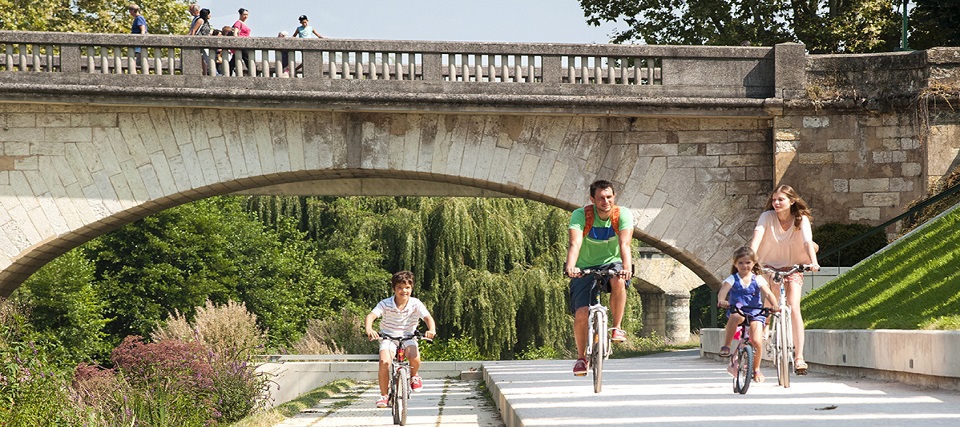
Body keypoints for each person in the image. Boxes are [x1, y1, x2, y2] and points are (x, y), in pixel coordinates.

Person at [749, 184, 820, 375]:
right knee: (771, 299)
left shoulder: (801, 219)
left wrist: (814, 262)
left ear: (792, 201)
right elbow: (757, 238)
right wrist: (750, 260)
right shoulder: (767, 217)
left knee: (794, 306)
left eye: (780, 199)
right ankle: (762, 332)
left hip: (794, 265)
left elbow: (807, 240)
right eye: (774, 200)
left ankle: (799, 358)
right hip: (770, 265)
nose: (776, 203)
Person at [564, 179, 633, 377]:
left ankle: (617, 328)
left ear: (614, 197)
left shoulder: (622, 214)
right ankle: (581, 358)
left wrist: (626, 268)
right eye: (601, 198)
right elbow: (574, 244)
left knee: (619, 279)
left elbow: (625, 244)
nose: (606, 201)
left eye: (609, 197)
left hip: (613, 263)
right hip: (584, 266)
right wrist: (571, 266)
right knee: (582, 313)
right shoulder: (581, 215)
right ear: (592, 199)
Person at [364, 271, 437, 408]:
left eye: (407, 287)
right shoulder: (385, 303)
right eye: (399, 287)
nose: (404, 291)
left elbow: (427, 318)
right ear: (394, 289)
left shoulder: (416, 303)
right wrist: (369, 329)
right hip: (388, 337)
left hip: (408, 336)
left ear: (412, 288)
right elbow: (371, 316)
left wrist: (431, 329)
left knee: (414, 357)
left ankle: (414, 376)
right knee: (384, 362)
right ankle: (384, 395)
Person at [717, 246, 780, 383]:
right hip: (738, 310)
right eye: (740, 263)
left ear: (753, 264)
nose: (744, 266)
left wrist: (775, 305)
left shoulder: (757, 279)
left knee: (756, 341)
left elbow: (768, 293)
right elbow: (723, 291)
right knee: (734, 317)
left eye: (748, 263)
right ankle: (726, 345)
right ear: (735, 264)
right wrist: (722, 300)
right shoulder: (732, 279)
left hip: (755, 312)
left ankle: (756, 369)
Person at [231, 8, 252, 75]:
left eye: (247, 15)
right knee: (248, 59)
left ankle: (228, 72)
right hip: (241, 44)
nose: (246, 16)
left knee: (234, 60)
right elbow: (235, 33)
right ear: (240, 14)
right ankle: (254, 73)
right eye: (244, 15)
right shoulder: (238, 23)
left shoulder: (243, 23)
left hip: (244, 44)